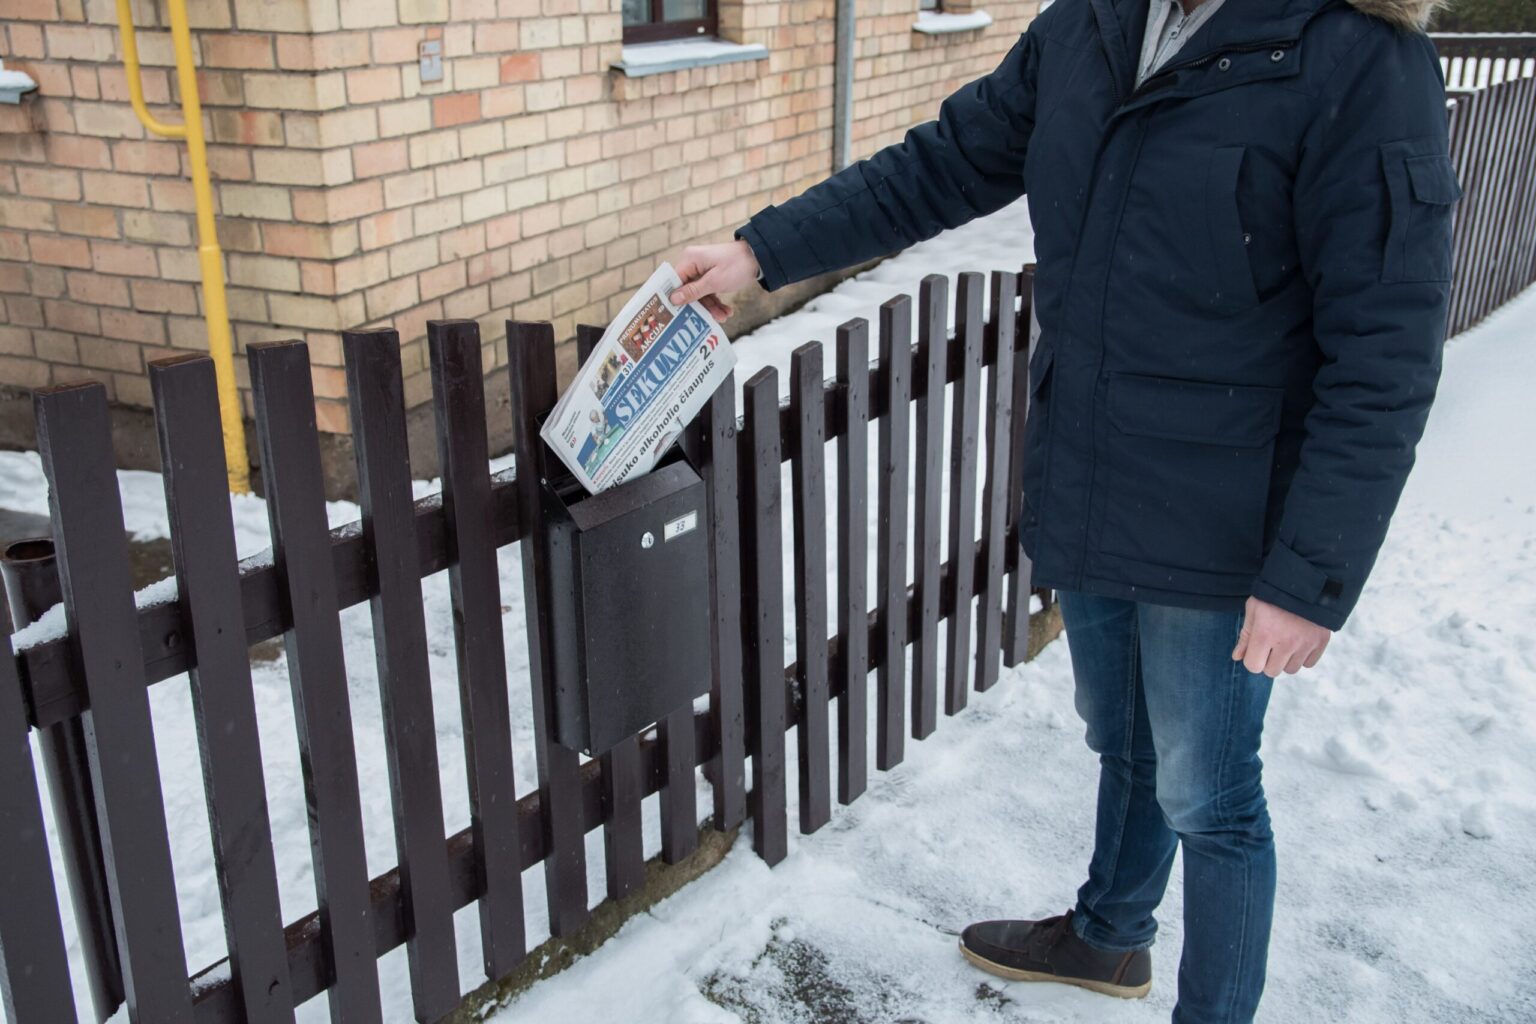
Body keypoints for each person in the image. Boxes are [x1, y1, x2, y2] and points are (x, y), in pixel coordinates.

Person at [667, 0, 1458, 1019]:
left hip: (1227, 518)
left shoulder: (1357, 59)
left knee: (1210, 798)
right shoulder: (1089, 24)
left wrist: (1310, 576)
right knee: (1122, 740)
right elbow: (943, 165)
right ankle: (1107, 938)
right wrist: (760, 252)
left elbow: (1387, 352)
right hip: (1093, 470)